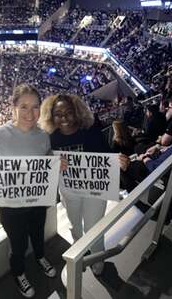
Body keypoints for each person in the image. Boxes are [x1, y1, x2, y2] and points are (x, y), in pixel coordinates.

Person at [0, 84, 57, 298]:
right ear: (13, 107)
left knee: (37, 235)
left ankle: (40, 257)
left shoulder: (43, 136)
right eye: (24, 106)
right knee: (18, 246)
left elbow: (46, 165)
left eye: (35, 107)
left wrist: (55, 164)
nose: (30, 113)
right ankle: (19, 274)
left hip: (37, 202)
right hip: (11, 207)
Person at [39, 93, 128, 276]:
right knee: (75, 225)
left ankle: (97, 257)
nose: (64, 118)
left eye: (69, 112)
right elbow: (43, 164)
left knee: (94, 227)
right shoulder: (49, 137)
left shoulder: (90, 129)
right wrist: (52, 162)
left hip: (95, 190)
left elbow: (106, 154)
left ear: (77, 112)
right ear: (51, 115)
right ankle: (79, 245)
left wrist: (117, 159)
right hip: (69, 191)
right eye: (58, 113)